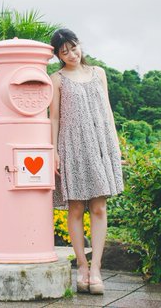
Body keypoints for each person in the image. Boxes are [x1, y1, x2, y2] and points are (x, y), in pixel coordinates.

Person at [49, 28, 124, 294]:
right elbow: (54, 117)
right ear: (58, 55)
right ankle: (81, 266)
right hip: (72, 145)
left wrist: (114, 144)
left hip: (100, 143)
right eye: (64, 52)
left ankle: (96, 269)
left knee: (99, 207)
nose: (71, 54)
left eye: (73, 47)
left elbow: (108, 111)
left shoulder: (99, 73)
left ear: (79, 45)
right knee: (76, 208)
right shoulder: (56, 79)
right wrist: (53, 151)